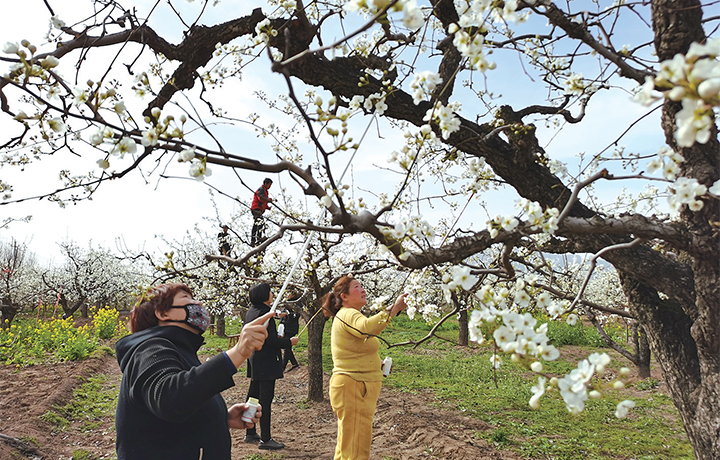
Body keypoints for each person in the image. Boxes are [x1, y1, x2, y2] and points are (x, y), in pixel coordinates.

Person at [115, 283, 274, 460]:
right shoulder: (149, 349)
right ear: (163, 313)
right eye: (187, 299)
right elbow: (170, 399)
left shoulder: (178, 350)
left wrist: (221, 418)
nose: (197, 304)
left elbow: (172, 417)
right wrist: (238, 353)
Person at [322, 275, 407, 460]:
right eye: (357, 287)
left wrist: (378, 365)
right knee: (355, 448)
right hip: (353, 385)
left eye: (362, 286)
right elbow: (366, 328)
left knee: (349, 444)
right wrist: (394, 309)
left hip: (355, 385)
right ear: (344, 296)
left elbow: (356, 348)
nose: (363, 290)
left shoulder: (351, 315)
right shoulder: (348, 313)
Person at [244, 282, 299, 450]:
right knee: (265, 401)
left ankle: (250, 431)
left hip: (254, 359)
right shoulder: (265, 314)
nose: (273, 294)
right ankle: (266, 439)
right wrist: (289, 341)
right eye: (270, 292)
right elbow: (272, 341)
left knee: (253, 397)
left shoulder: (251, 312)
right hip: (266, 362)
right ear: (263, 295)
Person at [279, 291, 302, 372]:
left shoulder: (297, 302)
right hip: (284, 327)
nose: (287, 294)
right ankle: (294, 363)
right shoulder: (286, 302)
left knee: (287, 347)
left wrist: (287, 315)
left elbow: (296, 315)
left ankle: (282, 367)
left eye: (288, 293)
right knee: (287, 346)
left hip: (291, 327)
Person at [250, 178, 273, 246]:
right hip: (256, 208)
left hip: (259, 209)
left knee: (259, 223)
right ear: (265, 184)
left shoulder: (265, 191)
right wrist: (268, 199)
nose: (270, 186)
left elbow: (264, 202)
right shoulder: (261, 190)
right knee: (259, 222)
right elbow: (261, 198)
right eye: (269, 185)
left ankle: (257, 238)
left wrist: (267, 207)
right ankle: (255, 239)